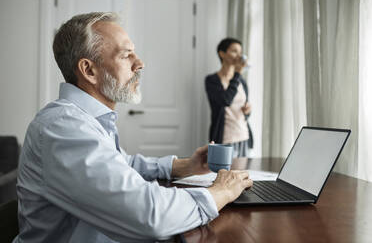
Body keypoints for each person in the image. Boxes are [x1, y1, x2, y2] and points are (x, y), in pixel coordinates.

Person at [12, 12, 253, 243]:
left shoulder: (88, 119)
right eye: (126, 55)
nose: (140, 64)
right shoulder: (64, 128)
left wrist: (182, 166)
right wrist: (222, 191)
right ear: (89, 70)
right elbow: (151, 216)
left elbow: (120, 164)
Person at [205, 38, 254, 158]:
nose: (239, 55)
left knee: (243, 175)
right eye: (234, 51)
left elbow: (241, 109)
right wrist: (237, 73)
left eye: (240, 52)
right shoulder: (212, 80)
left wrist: (247, 111)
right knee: (225, 174)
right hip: (224, 139)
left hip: (244, 136)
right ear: (222, 54)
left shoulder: (241, 81)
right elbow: (225, 100)